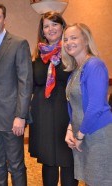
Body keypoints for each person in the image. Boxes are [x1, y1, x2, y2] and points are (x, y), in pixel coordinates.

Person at [0, 2, 33, 186]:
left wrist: (20, 115)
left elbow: (25, 83)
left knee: (16, 165)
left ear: (4, 20)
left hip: (12, 118)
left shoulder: (18, 44)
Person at [29, 12, 78, 186]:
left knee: (68, 162)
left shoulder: (72, 52)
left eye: (54, 24)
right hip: (43, 115)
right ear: (42, 31)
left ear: (62, 27)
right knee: (48, 162)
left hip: (67, 115)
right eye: (46, 26)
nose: (50, 29)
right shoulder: (37, 56)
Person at [63, 23, 112, 186]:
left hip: (97, 135)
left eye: (74, 37)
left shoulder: (94, 65)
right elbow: (75, 105)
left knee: (101, 180)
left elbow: (95, 107)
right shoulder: (76, 70)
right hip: (83, 134)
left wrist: (79, 135)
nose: (68, 42)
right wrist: (70, 129)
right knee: (91, 180)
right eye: (65, 39)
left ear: (85, 40)